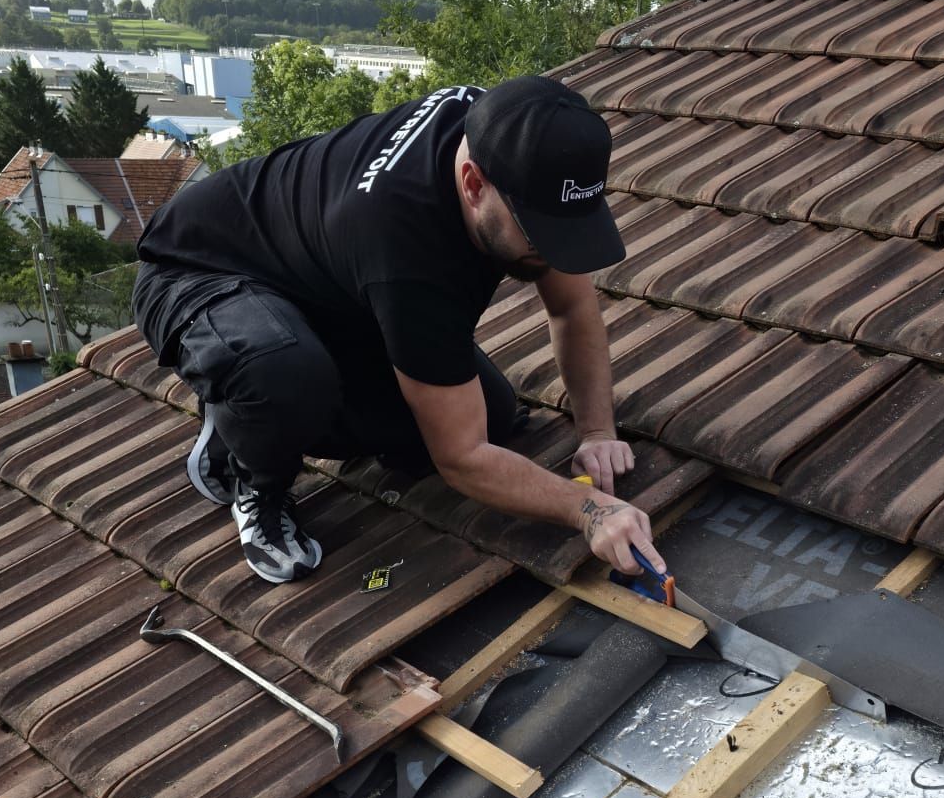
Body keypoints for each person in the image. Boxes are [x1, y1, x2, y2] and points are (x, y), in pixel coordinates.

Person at [131, 75, 666, 586]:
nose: (553, 253)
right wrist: (589, 510)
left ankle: (265, 388)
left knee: (495, 418)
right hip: (199, 273)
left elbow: (571, 308)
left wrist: (597, 432)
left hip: (328, 290)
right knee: (286, 378)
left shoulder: (516, 135)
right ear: (473, 184)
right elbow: (462, 459)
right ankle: (247, 466)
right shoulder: (406, 249)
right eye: (539, 234)